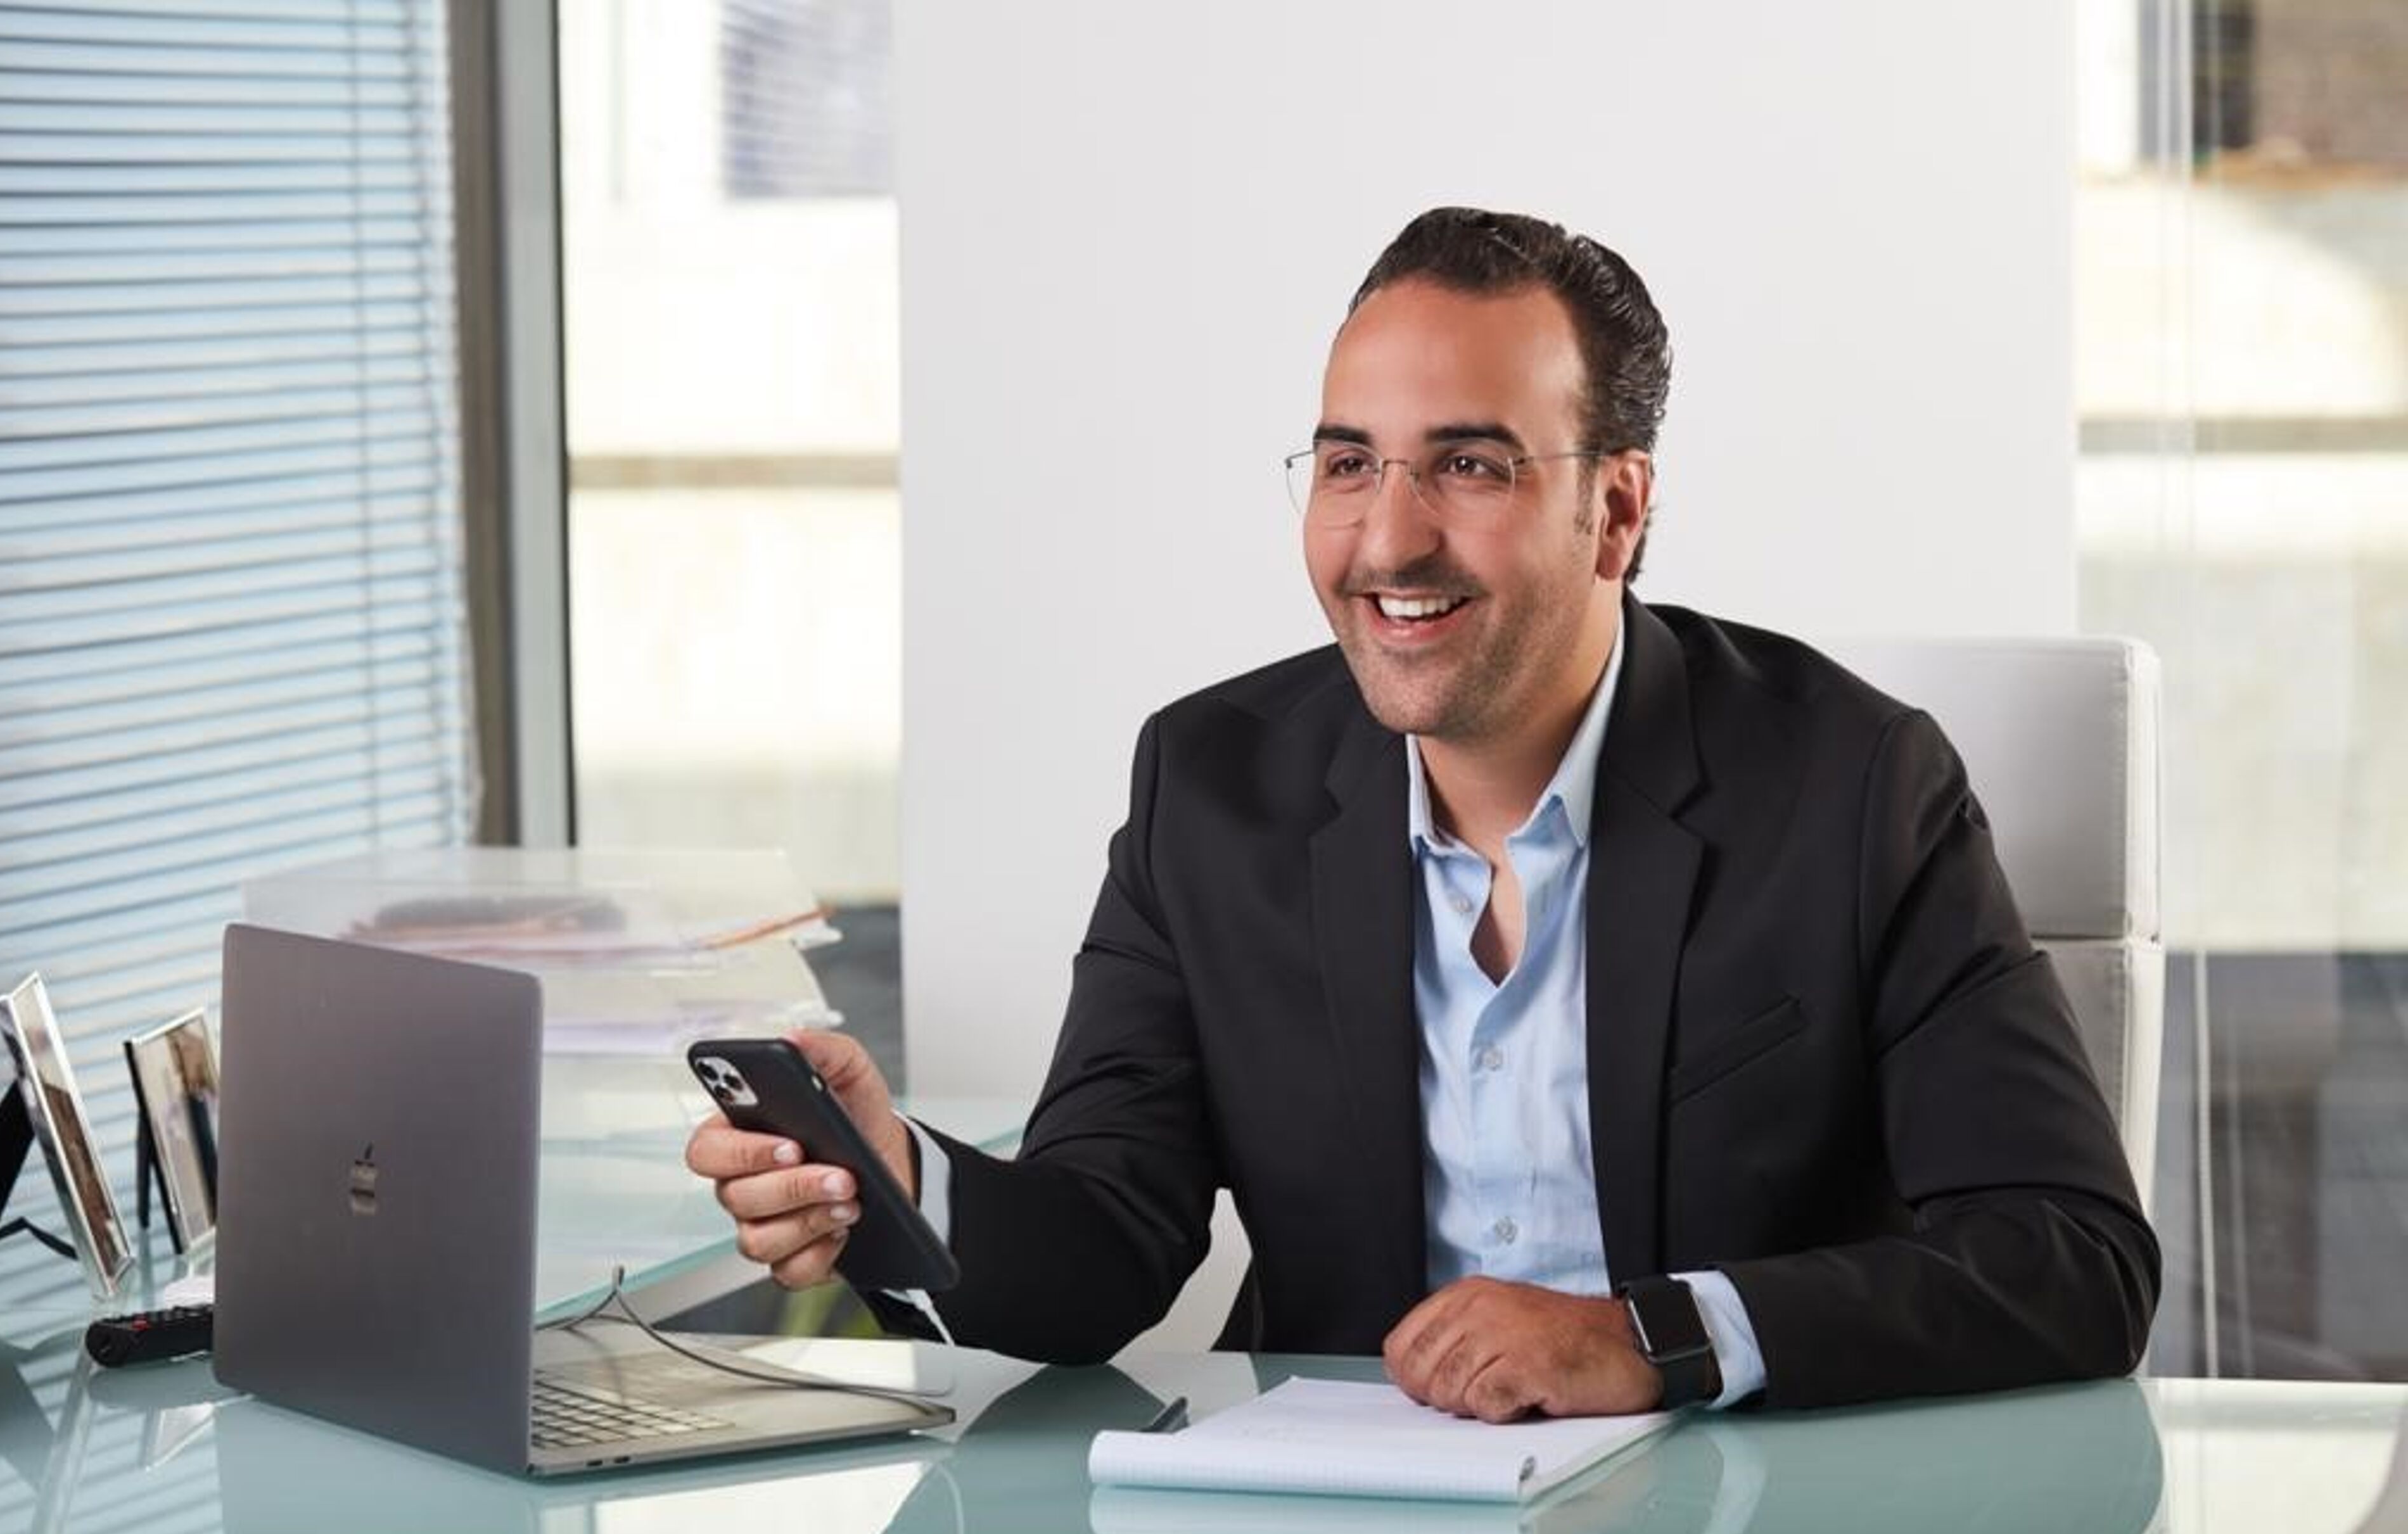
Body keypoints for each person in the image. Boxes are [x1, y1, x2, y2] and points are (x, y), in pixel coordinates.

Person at [687, 206, 2159, 1417]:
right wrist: (899, 1179)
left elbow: (2072, 1257)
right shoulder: (1209, 789)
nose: (1388, 537)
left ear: (1620, 512)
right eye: (1347, 464)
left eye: (1468, 464)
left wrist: (1647, 1338)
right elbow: (1107, 1238)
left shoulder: (1852, 788)